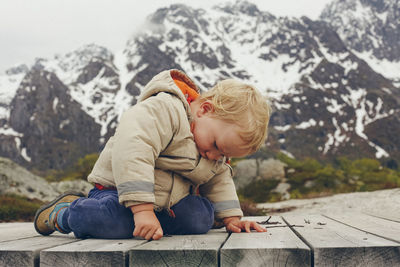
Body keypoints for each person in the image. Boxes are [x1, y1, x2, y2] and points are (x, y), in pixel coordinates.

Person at [34, 69, 271, 240]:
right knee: (111, 222)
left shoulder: (212, 150)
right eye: (216, 145)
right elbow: (134, 148)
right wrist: (143, 210)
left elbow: (219, 179)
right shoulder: (165, 109)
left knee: (199, 217)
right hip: (117, 193)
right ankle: (64, 213)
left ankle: (147, 225)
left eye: (223, 154)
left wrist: (232, 219)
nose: (214, 155)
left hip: (165, 205)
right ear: (205, 110)